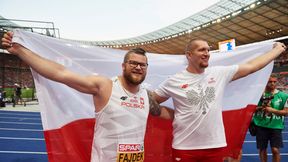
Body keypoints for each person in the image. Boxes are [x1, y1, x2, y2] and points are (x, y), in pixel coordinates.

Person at [1, 31, 172, 162]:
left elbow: (166, 113)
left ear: (147, 68)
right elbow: (61, 73)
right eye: (133, 63)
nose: (138, 67)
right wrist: (20, 51)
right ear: (123, 65)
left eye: (143, 64)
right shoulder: (105, 86)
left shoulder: (146, 96)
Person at [152, 38, 287, 162]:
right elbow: (151, 103)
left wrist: (277, 50)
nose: (207, 53)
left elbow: (252, 66)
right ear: (189, 55)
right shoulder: (174, 81)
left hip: (214, 146)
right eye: (201, 49)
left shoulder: (218, 73)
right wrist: (174, 114)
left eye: (208, 49)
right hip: (184, 147)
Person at [252, 76, 288, 162]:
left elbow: (286, 112)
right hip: (261, 125)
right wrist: (261, 107)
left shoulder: (283, 96)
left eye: (274, 82)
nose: (272, 83)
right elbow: (251, 109)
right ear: (266, 82)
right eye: (270, 82)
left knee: (275, 150)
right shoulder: (259, 95)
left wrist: (271, 110)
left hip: (276, 126)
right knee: (262, 149)